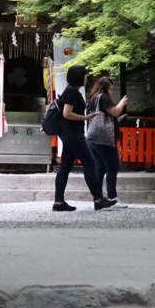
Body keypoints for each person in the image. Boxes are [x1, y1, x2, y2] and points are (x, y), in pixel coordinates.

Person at [53, 65, 112, 212]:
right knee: (90, 162)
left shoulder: (71, 91)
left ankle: (59, 202)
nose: (86, 78)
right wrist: (85, 117)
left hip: (68, 134)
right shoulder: (72, 92)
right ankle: (98, 199)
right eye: (84, 76)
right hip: (73, 134)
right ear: (79, 77)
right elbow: (67, 113)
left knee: (65, 167)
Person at [85, 75, 128, 207]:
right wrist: (122, 102)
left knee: (100, 167)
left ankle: (98, 199)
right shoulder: (102, 97)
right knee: (112, 166)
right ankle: (111, 197)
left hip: (93, 138)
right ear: (105, 88)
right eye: (110, 89)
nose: (111, 92)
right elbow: (114, 112)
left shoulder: (92, 99)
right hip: (103, 139)